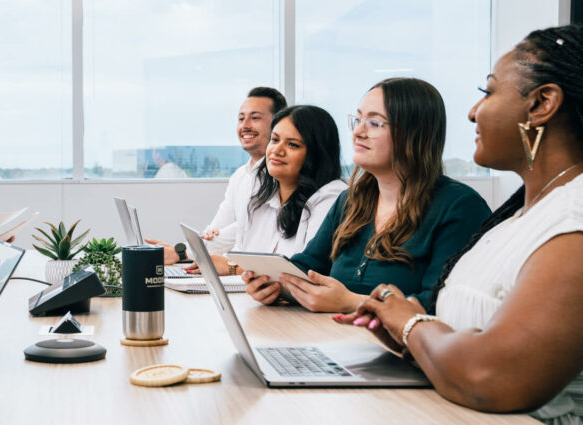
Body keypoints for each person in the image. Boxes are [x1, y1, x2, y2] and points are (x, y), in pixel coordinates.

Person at [337, 25, 583, 423]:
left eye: (488, 93)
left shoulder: (574, 219)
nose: (472, 111)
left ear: (542, 104)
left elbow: (494, 375)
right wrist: (409, 340)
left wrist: (412, 325)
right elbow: (469, 342)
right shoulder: (517, 217)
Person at [246, 78, 491, 313]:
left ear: (413, 133)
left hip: (399, 352)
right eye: (358, 119)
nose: (358, 133)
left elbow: (441, 303)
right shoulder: (350, 201)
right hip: (335, 338)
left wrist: (352, 302)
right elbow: (310, 264)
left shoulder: (459, 206)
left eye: (374, 123)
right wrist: (273, 283)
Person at [185, 105, 346, 275]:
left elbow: (306, 272)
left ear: (316, 154)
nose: (277, 150)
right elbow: (240, 251)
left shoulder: (331, 197)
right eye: (275, 140)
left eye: (292, 145)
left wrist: (233, 268)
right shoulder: (259, 197)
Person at [147, 86, 288, 263]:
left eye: (255, 118)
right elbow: (216, 229)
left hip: (253, 272)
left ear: (278, 124)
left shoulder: (281, 175)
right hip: (233, 266)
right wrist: (186, 248)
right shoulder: (240, 175)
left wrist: (182, 253)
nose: (245, 126)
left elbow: (246, 228)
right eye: (241, 118)